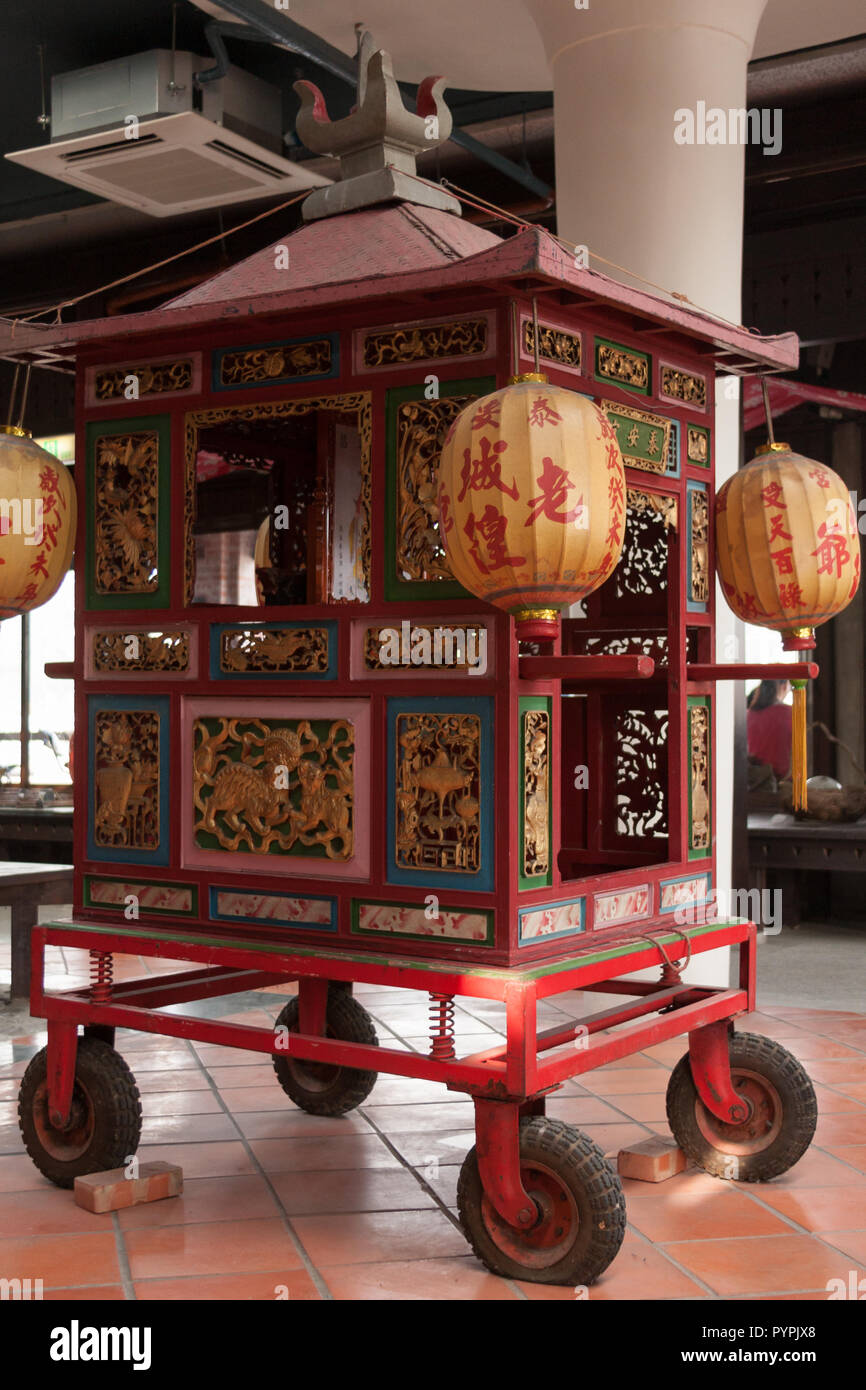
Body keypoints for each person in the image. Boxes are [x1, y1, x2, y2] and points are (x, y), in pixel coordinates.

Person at [747, 679, 792, 780]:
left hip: (751, 780)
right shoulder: (790, 713)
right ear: (784, 686)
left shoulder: (748, 714)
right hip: (781, 781)